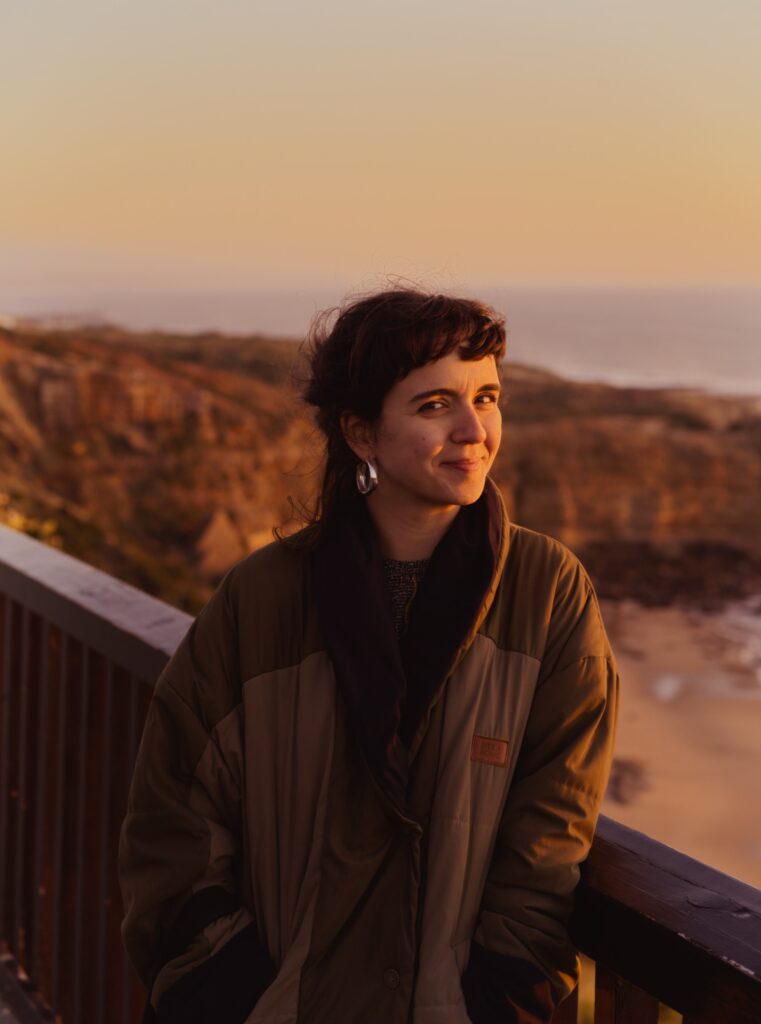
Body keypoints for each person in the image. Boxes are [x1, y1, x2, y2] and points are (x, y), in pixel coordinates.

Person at [118, 286, 620, 1024]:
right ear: (360, 433)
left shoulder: (547, 591)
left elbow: (551, 830)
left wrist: (504, 993)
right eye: (433, 406)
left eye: (486, 397)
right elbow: (174, 818)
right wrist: (226, 991)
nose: (473, 429)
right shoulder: (261, 596)